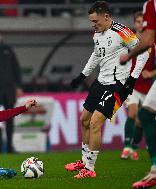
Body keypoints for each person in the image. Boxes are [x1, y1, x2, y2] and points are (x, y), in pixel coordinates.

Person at [65, 1, 149, 179]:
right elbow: (96, 54)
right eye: (91, 21)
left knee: (95, 123)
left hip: (118, 84)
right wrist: (82, 76)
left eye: (96, 21)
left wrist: (132, 79)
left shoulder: (123, 32)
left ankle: (90, 169)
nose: (93, 25)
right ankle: (84, 160)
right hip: (100, 82)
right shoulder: (97, 33)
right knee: (84, 120)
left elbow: (144, 52)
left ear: (107, 16)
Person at [120, 0, 156, 188]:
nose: (141, 24)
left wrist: (151, 73)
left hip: (148, 86)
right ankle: (128, 147)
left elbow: (149, 42)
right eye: (139, 21)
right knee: (135, 114)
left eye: (143, 21)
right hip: (132, 85)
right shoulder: (129, 40)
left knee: (143, 118)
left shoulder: (150, 39)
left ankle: (134, 146)